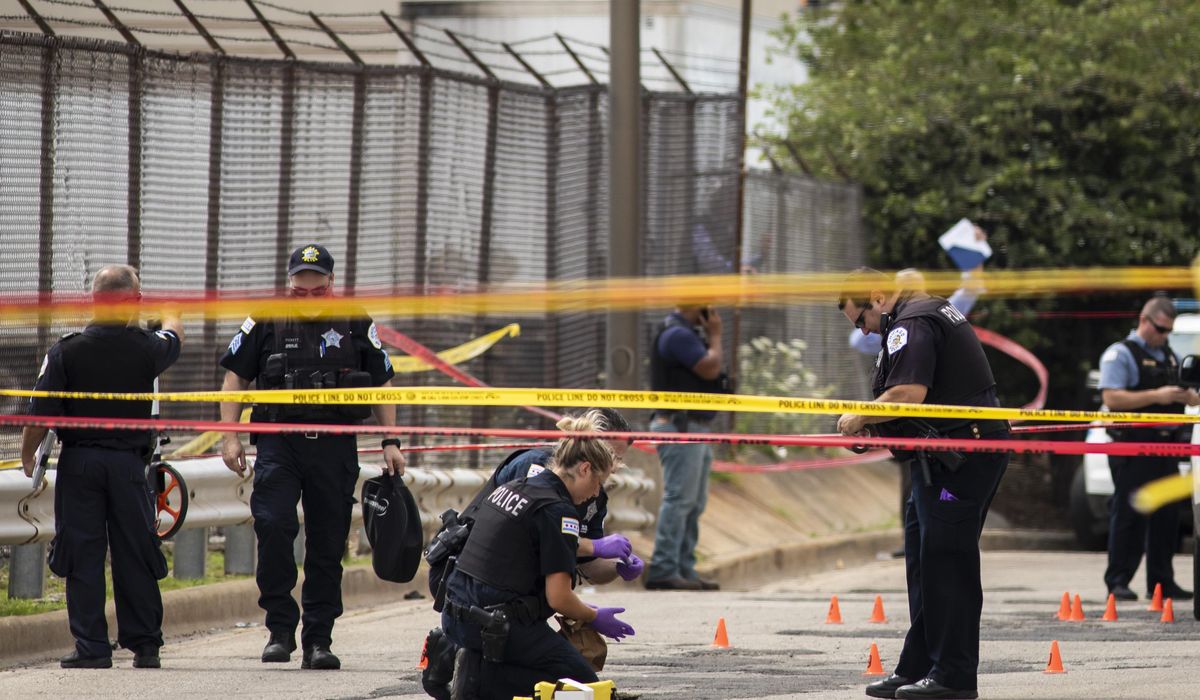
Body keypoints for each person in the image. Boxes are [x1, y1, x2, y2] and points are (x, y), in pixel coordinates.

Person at [218, 243, 405, 670]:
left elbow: (382, 383)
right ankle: (279, 629)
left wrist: (391, 440)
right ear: (288, 286)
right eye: (299, 292)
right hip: (278, 441)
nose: (308, 299)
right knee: (274, 524)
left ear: (332, 285)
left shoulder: (355, 319)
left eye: (317, 291)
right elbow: (235, 378)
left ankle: (319, 638)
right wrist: (229, 437)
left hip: (334, 444)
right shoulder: (265, 318)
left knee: (326, 542)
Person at [836, 268, 1009, 700]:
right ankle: (918, 666)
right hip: (938, 460)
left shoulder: (913, 320)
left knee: (948, 562)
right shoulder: (917, 316)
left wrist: (860, 417)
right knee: (924, 562)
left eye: (861, 321)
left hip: (961, 458)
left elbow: (909, 393)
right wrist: (874, 432)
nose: (864, 330)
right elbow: (920, 401)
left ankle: (953, 676)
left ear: (877, 298)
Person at [20, 265, 183, 669]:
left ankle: (92, 647)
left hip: (79, 464)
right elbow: (175, 334)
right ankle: (145, 646)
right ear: (135, 301)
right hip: (128, 465)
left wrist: (28, 458)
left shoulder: (66, 350)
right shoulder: (147, 348)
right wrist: (169, 311)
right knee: (135, 550)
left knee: (82, 553)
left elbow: (39, 414)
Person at [421, 408, 643, 699]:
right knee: (581, 687)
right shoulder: (543, 484)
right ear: (587, 465)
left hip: (463, 602)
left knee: (563, 668)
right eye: (610, 460)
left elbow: (578, 563)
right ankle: (474, 672)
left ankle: (474, 660)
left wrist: (616, 566)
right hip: (484, 599)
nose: (599, 489)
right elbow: (557, 590)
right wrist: (593, 614)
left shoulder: (533, 487)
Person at [1097, 296, 1199, 602]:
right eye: (1160, 328)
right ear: (1144, 320)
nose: (1164, 335)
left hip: (1165, 446)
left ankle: (1162, 582)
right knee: (1129, 515)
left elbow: (1176, 394)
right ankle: (1117, 581)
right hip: (1132, 447)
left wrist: (1187, 397)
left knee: (1167, 517)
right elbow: (1112, 398)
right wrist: (1160, 395)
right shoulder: (1120, 354)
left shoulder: (1168, 355)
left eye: (1168, 330)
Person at [645, 304, 726, 591]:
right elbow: (709, 367)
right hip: (680, 427)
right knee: (679, 498)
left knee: (694, 501)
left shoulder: (686, 333)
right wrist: (715, 336)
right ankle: (664, 568)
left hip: (693, 427)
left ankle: (683, 569)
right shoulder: (676, 334)